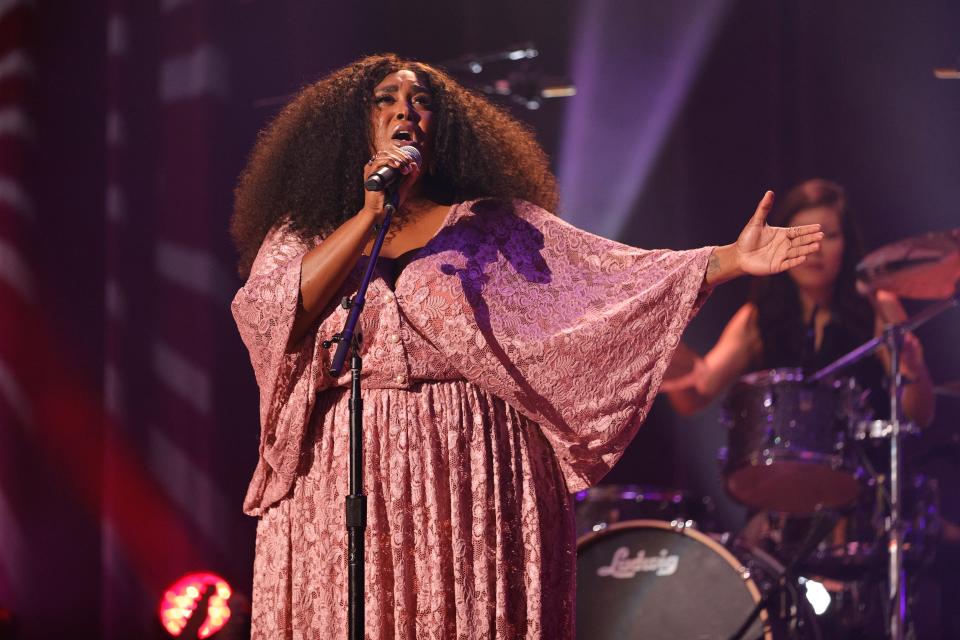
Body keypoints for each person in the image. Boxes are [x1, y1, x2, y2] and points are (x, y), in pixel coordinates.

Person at [229, 53, 824, 639]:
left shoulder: (495, 225)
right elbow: (274, 315)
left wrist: (729, 260)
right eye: (384, 99)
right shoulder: (304, 234)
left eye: (422, 102)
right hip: (342, 474)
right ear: (349, 124)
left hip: (469, 474)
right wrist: (368, 215)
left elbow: (610, 283)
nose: (404, 111)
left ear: (444, 129)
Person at [662, 178, 934, 425]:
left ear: (847, 244)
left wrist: (913, 368)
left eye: (829, 235)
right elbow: (695, 395)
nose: (815, 249)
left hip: (863, 472)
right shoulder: (756, 318)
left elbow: (919, 415)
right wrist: (665, 351)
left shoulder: (878, 306)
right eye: (800, 236)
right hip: (777, 475)